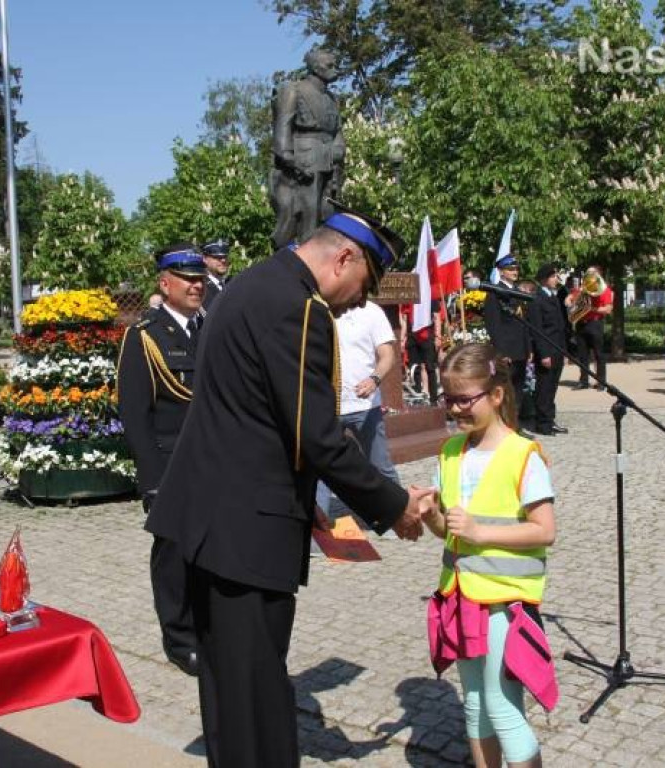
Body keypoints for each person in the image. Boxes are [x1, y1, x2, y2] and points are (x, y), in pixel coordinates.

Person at [146, 202, 434, 768]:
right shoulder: (297, 308)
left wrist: (306, 501)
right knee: (257, 700)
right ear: (343, 257)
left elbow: (255, 419)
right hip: (248, 535)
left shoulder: (251, 284)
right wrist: (394, 504)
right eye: (363, 284)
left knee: (229, 692)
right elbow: (317, 436)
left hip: (211, 523)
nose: (358, 300)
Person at [420, 342, 556, 768]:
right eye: (449, 399)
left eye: (466, 399)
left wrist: (479, 532)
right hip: (461, 596)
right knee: (475, 706)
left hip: (504, 602)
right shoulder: (450, 452)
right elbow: (450, 533)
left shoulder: (522, 455)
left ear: (496, 395)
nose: (456, 409)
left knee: (502, 707)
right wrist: (430, 517)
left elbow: (545, 530)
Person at [117, 244, 207, 677]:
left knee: (210, 549)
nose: (197, 284)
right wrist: (151, 480)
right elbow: (134, 415)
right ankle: (179, 638)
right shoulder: (145, 336)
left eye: (200, 277)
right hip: (170, 465)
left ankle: (206, 627)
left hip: (213, 461)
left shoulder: (212, 327)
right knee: (173, 555)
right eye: (187, 278)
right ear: (164, 283)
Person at [315, 301, 400, 519]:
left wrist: (375, 378)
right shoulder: (318, 309)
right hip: (326, 405)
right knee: (320, 470)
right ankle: (319, 530)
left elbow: (387, 354)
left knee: (379, 465)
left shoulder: (371, 311)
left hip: (364, 405)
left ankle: (395, 517)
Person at [269, 48, 345, 248]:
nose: (336, 70)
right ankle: (302, 260)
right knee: (306, 216)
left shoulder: (332, 98)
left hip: (330, 160)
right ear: (315, 67)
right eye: (330, 66)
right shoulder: (293, 90)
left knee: (328, 214)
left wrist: (339, 150)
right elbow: (283, 126)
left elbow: (337, 130)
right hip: (304, 161)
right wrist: (288, 157)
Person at [527, 263, 568, 435]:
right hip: (546, 351)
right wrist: (543, 354)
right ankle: (542, 424)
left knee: (552, 388)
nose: (556, 280)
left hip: (557, 349)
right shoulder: (537, 299)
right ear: (544, 279)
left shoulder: (553, 296)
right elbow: (537, 329)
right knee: (544, 388)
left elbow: (560, 326)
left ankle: (550, 420)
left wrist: (564, 351)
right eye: (553, 277)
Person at [483, 254, 531, 399]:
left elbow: (524, 323)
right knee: (505, 391)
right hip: (507, 351)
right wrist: (501, 352)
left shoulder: (518, 292)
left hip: (520, 350)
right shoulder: (495, 293)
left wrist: (528, 348)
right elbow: (493, 325)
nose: (515, 272)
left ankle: (515, 420)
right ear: (501, 271)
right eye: (510, 269)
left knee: (518, 390)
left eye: (516, 269)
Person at [566, 266, 613, 389]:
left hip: (595, 323)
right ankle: (583, 381)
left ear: (598, 275)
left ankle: (601, 382)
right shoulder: (582, 289)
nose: (589, 275)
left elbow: (608, 309)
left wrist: (591, 309)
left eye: (592, 273)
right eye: (587, 273)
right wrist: (570, 301)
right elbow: (568, 300)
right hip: (581, 323)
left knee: (599, 354)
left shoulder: (604, 290)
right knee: (582, 354)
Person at [200, 239, 231, 312]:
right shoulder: (200, 287)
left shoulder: (232, 283)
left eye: (225, 256)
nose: (223, 260)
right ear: (204, 259)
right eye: (217, 257)